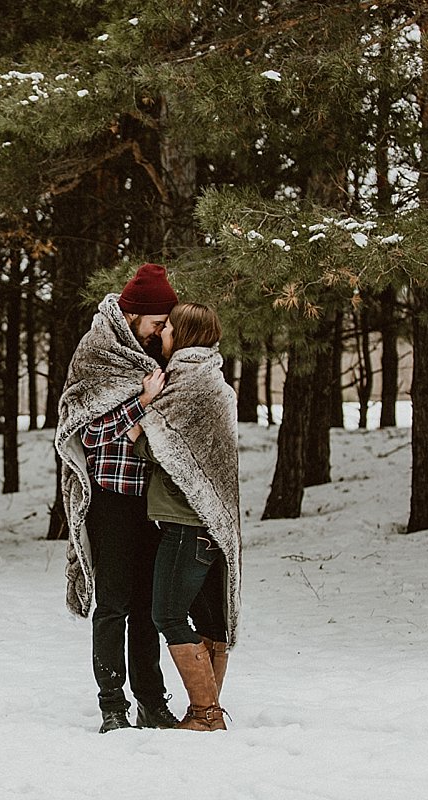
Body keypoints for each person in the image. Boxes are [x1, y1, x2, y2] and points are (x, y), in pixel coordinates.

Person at [54, 262, 182, 733]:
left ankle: (151, 700)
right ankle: (112, 705)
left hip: (153, 502)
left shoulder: (155, 357)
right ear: (135, 315)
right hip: (111, 500)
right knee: (113, 605)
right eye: (158, 322)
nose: (162, 330)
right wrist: (141, 404)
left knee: (150, 608)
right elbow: (87, 432)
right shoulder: (98, 351)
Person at [127, 302, 242, 732]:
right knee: (210, 622)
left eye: (170, 328)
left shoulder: (188, 383)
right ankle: (207, 713)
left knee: (168, 616)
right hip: (209, 524)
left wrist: (142, 413)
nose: (163, 334)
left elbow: (155, 445)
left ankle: (205, 713)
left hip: (185, 524)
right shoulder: (215, 382)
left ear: (187, 335)